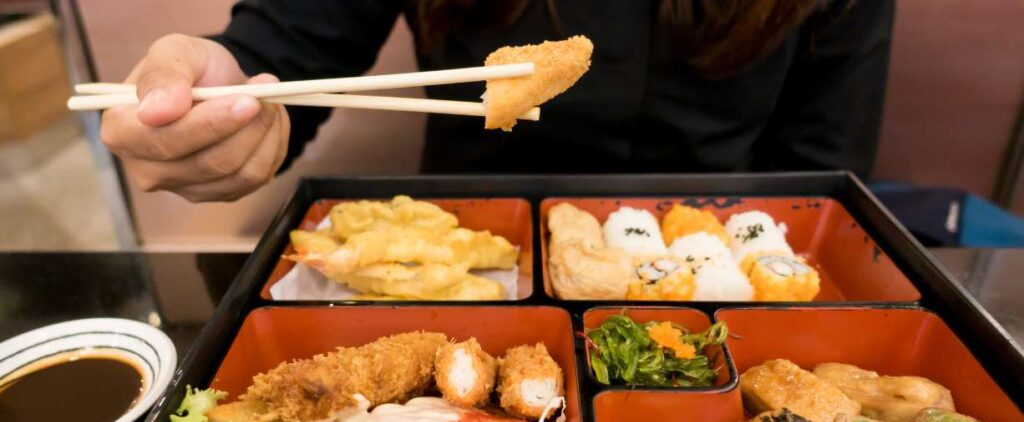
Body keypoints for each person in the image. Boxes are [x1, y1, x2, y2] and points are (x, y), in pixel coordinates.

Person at [100, 0, 894, 203]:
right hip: (461, 256)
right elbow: (280, 61)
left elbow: (823, 175)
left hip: (714, 261)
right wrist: (223, 96)